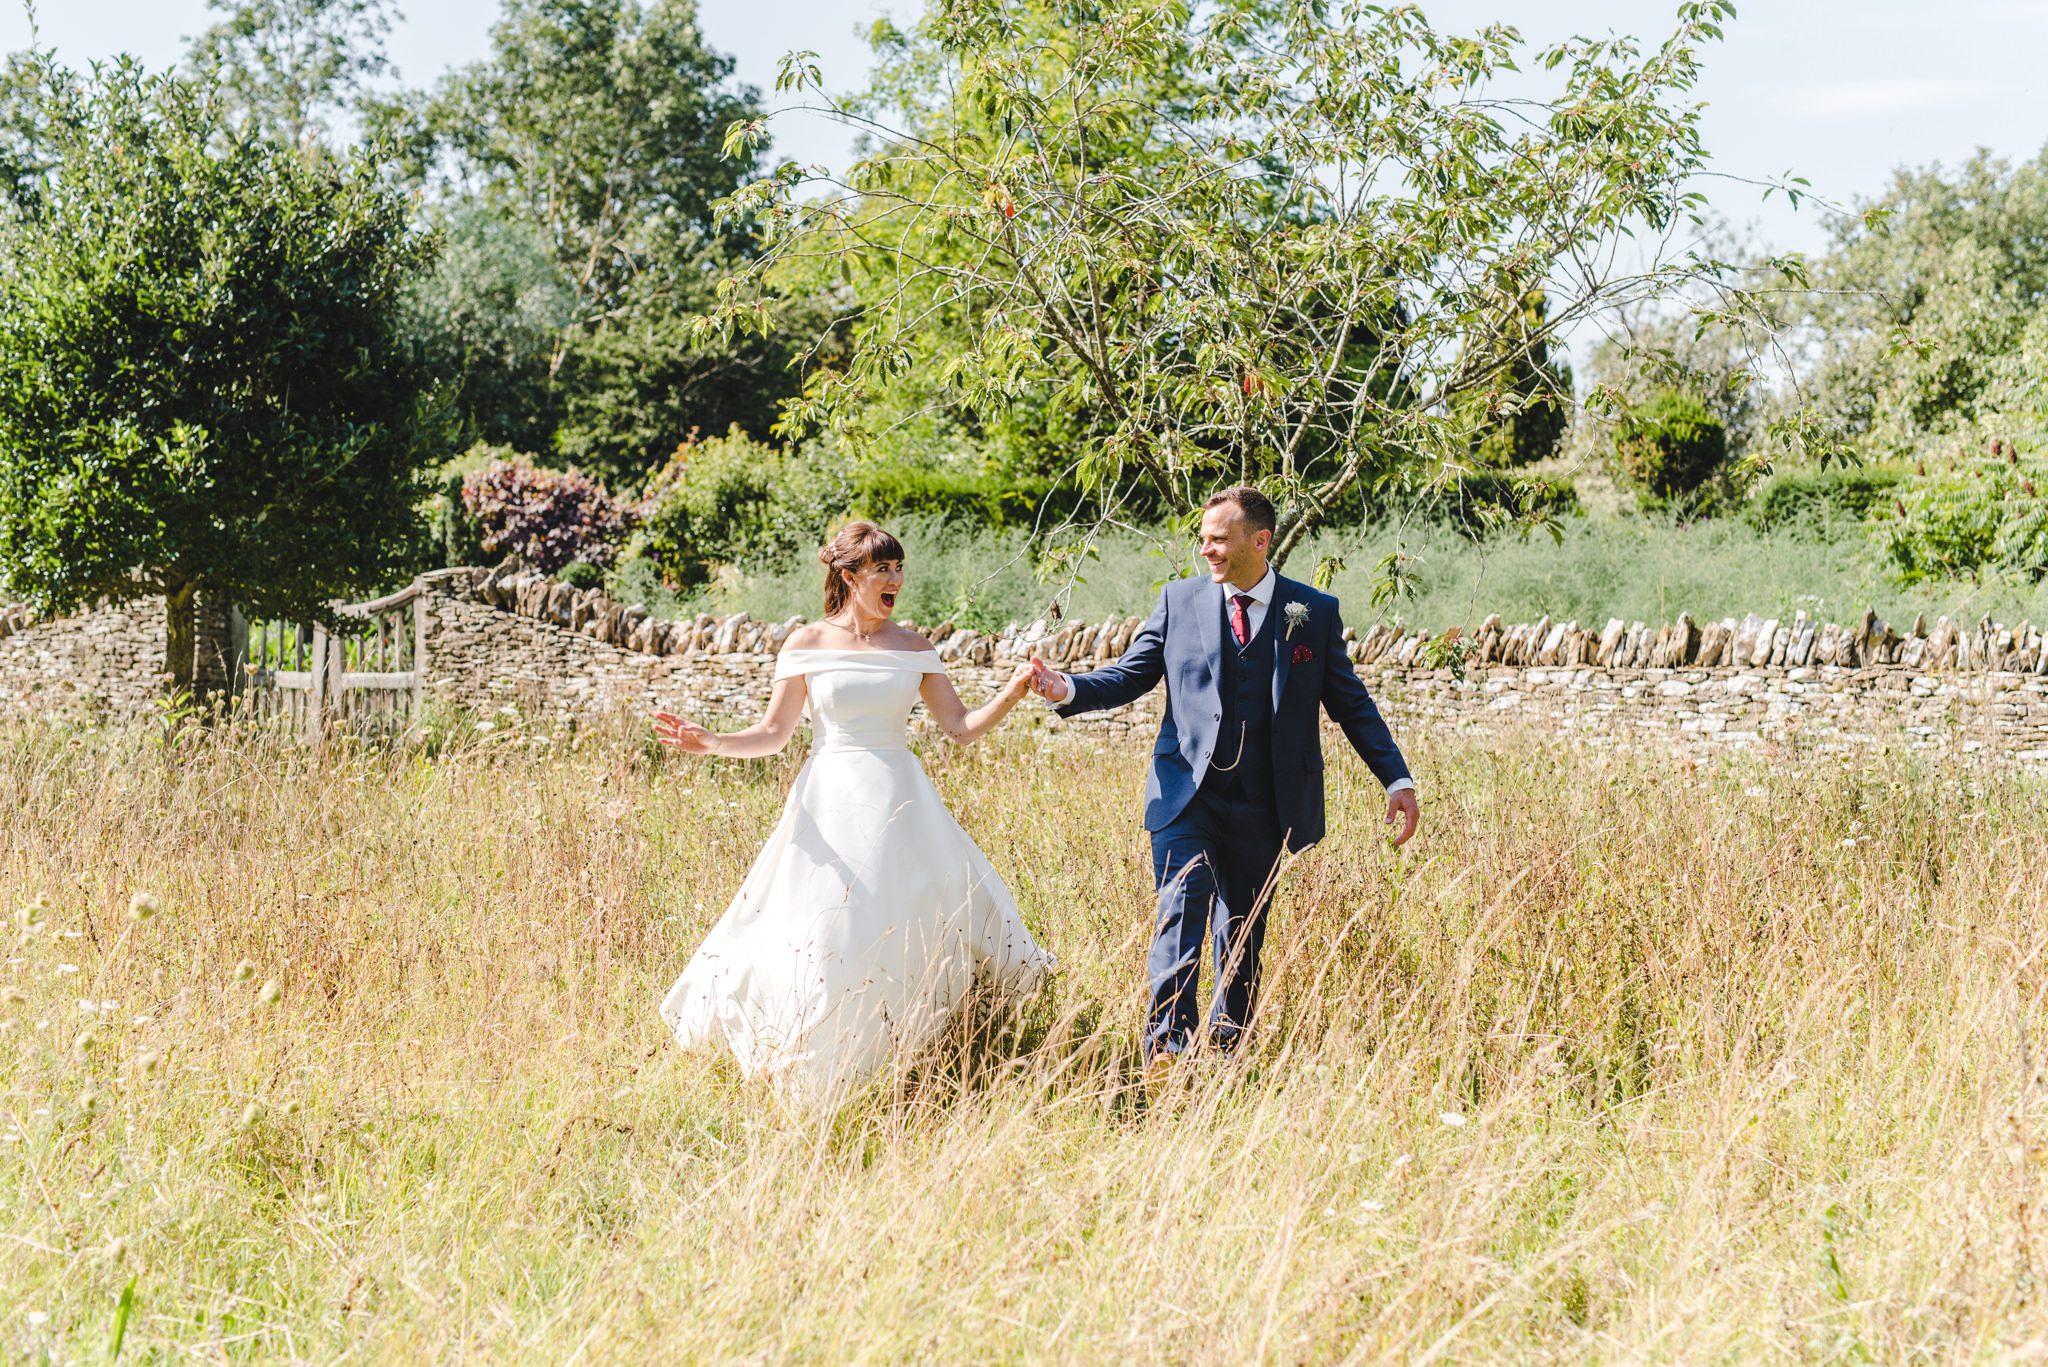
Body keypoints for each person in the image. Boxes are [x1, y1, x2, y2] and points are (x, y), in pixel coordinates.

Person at [653, 521, 1054, 1107]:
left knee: (914, 909)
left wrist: (1014, 691)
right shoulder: (806, 644)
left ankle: (918, 1049)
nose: (895, 579)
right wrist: (711, 741)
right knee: (826, 924)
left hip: (900, 796)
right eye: (882, 569)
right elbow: (773, 733)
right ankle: (819, 1060)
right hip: (830, 794)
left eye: (898, 569)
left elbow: (961, 729)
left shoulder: (915, 647)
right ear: (849, 576)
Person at [1028, 486, 1419, 1068]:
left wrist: (1396, 779)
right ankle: (1168, 1053)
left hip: (1268, 801)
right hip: (1186, 794)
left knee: (1242, 931)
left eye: (1218, 539)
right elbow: (1133, 673)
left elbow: (1349, 702)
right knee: (1182, 907)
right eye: (1202, 538)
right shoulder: (1177, 600)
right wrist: (1071, 687)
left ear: (1259, 541)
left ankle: (1228, 1052)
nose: (1205, 550)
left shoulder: (1311, 612)